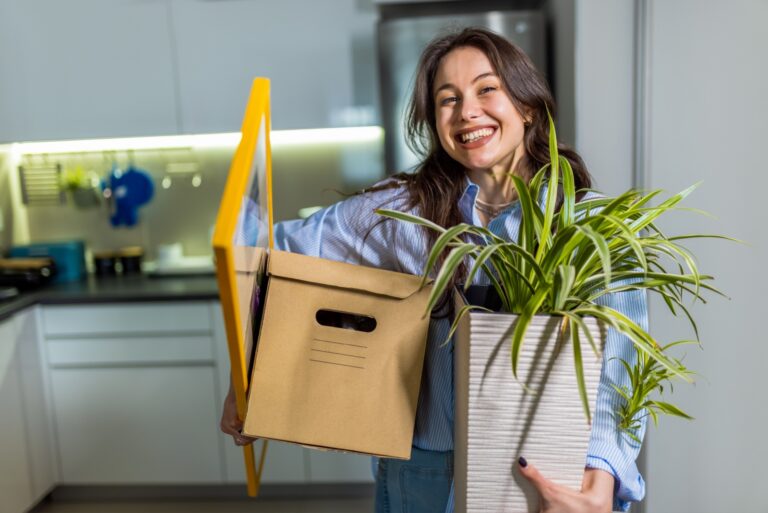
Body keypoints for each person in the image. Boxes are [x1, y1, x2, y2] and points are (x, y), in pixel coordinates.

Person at [221, 27, 647, 513]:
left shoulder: (589, 224)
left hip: (545, 473)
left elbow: (620, 363)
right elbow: (267, 257)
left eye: (487, 89)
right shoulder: (403, 212)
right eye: (448, 99)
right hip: (421, 472)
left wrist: (601, 478)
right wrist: (248, 365)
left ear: (528, 106)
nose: (467, 111)